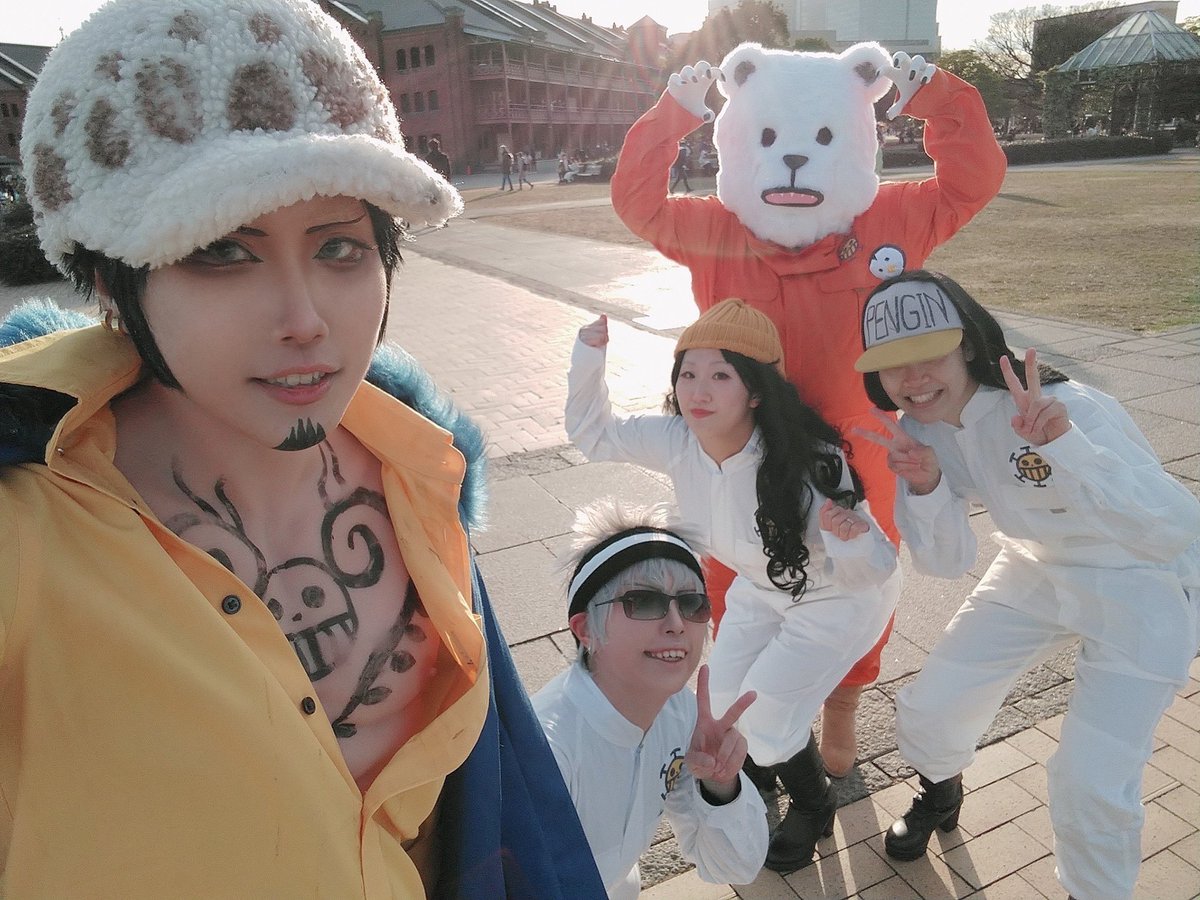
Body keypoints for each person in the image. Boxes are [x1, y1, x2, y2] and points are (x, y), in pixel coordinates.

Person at [1, 1, 606, 896]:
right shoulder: (28, 539)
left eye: (340, 248)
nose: (304, 319)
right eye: (220, 252)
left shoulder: (416, 469)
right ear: (107, 276)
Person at [854, 270, 1200, 900]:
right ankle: (941, 791)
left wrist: (1066, 446)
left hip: (1141, 584)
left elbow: (1173, 528)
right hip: (1036, 566)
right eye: (892, 363)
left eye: (928, 353)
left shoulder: (1067, 406)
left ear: (967, 342)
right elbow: (945, 562)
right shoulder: (921, 433)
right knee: (930, 708)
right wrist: (928, 485)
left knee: (1089, 782)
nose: (913, 379)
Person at [565, 300, 899, 872]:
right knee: (718, 708)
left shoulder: (807, 462)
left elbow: (876, 567)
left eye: (721, 375)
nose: (699, 391)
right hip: (761, 589)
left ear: (756, 392)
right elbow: (594, 435)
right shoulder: (679, 439)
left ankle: (815, 803)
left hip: (839, 597)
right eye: (688, 373)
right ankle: (763, 764)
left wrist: (848, 539)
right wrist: (588, 356)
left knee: (764, 721)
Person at [533, 501, 768, 897]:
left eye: (692, 604)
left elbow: (734, 866)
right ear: (585, 629)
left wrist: (720, 786)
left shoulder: (680, 715)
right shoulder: (547, 751)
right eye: (643, 602)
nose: (676, 624)